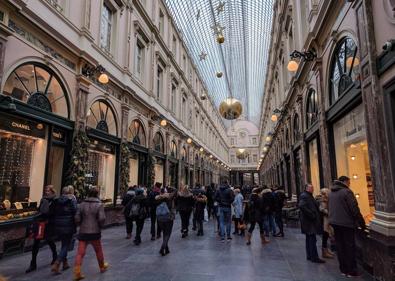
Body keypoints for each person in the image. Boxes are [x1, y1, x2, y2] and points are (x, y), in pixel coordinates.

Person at [329, 176, 365, 277]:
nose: (350, 184)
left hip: (335, 223)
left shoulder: (331, 192)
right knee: (349, 247)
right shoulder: (346, 192)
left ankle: (343, 270)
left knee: (340, 247)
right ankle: (351, 271)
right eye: (349, 182)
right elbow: (354, 208)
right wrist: (361, 223)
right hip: (346, 224)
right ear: (345, 182)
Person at [73, 187, 108, 281]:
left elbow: (77, 217)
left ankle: (77, 271)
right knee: (98, 250)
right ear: (97, 194)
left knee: (80, 253)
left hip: (83, 231)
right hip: (94, 231)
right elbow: (102, 218)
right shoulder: (99, 205)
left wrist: (80, 224)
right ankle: (102, 266)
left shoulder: (82, 204)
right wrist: (100, 226)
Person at [26, 185, 57, 273]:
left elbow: (53, 213)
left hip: (48, 224)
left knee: (50, 241)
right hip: (40, 224)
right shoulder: (43, 199)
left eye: (48, 190)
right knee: (36, 243)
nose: (46, 192)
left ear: (52, 191)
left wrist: (45, 215)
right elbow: (40, 210)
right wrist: (37, 214)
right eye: (45, 190)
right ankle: (33, 264)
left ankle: (55, 256)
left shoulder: (55, 200)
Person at [51, 185, 78, 274]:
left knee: (64, 243)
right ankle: (57, 263)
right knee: (66, 245)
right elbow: (75, 211)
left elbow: (53, 211)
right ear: (70, 192)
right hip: (68, 225)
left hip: (58, 224)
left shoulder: (57, 200)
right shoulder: (71, 201)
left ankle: (65, 263)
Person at [298, 184, 325, 264]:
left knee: (310, 238)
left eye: (313, 188)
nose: (313, 189)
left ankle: (310, 255)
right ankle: (314, 257)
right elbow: (302, 206)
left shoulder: (308, 195)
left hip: (309, 222)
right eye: (311, 188)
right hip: (309, 222)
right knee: (312, 239)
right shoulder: (305, 196)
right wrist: (312, 215)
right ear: (307, 188)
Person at [155, 187, 177, 256]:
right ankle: (163, 247)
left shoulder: (158, 198)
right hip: (168, 217)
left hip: (160, 218)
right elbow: (176, 191)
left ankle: (166, 249)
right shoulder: (170, 198)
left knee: (164, 232)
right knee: (168, 233)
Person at [318, 188, 335, 259]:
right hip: (325, 221)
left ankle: (327, 251)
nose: (324, 195)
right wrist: (328, 212)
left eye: (325, 194)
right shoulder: (323, 201)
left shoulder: (327, 200)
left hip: (328, 220)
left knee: (327, 235)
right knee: (325, 236)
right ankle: (324, 252)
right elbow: (322, 209)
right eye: (323, 194)